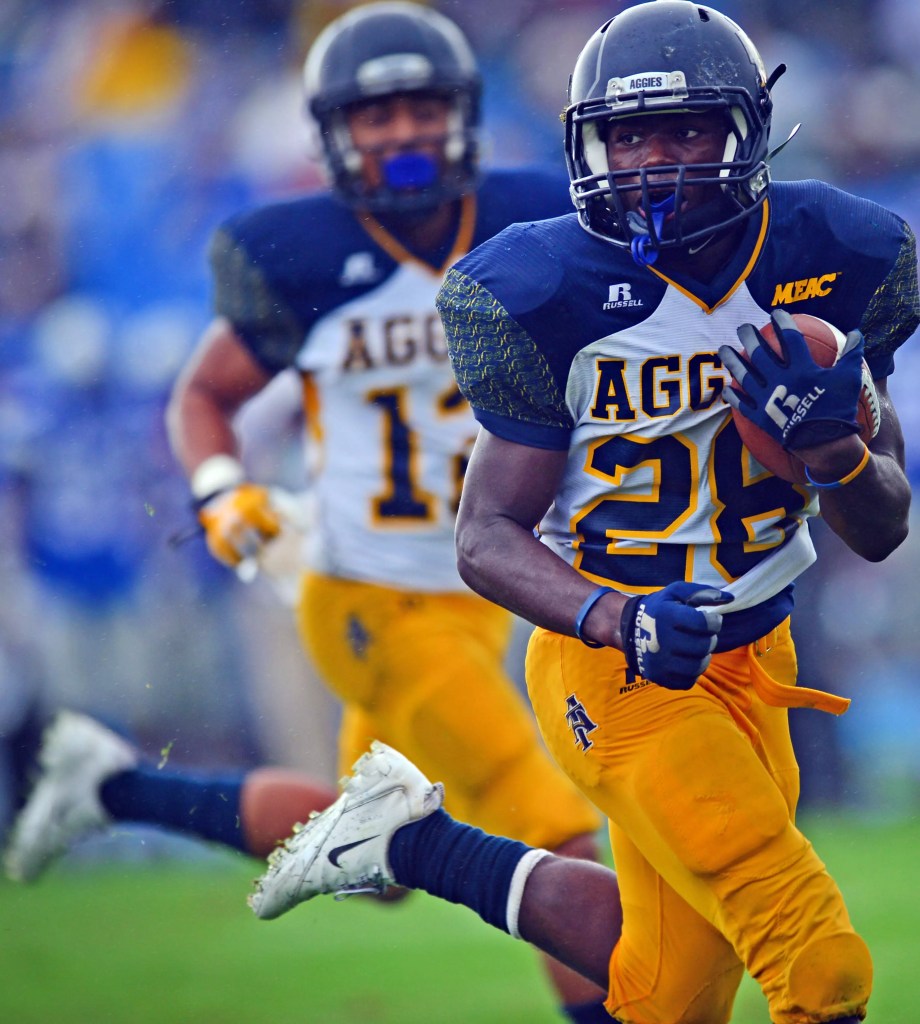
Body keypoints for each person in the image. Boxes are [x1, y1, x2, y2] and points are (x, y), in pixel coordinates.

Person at [246, 4, 919, 1023]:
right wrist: (617, 616)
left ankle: (408, 838)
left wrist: (834, 455)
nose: (651, 160)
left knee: (664, 997)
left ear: (744, 134)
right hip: (616, 664)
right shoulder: (546, 287)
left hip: (760, 656)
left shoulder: (832, 249)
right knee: (817, 965)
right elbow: (483, 537)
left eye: (685, 130)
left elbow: (881, 525)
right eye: (626, 135)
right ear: (584, 146)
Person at [5, 4, 611, 1021]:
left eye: (421, 108)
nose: (402, 134)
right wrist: (217, 486)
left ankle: (106, 786)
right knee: (553, 829)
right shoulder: (296, 251)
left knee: (378, 865)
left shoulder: (531, 219)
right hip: (366, 593)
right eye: (375, 116)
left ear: (463, 113)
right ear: (330, 130)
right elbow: (203, 394)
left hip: (476, 589)